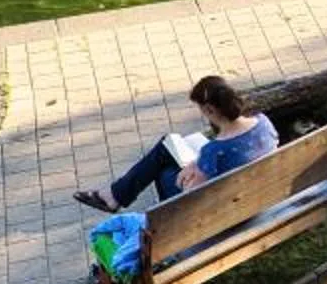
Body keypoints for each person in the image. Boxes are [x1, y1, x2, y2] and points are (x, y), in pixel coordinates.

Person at [73, 74, 278, 214]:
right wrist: (197, 164)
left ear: (209, 110)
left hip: (224, 209)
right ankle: (115, 195)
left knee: (164, 172)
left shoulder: (214, 150)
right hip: (258, 193)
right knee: (167, 148)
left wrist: (190, 173)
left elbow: (193, 195)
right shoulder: (263, 122)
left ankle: (116, 197)